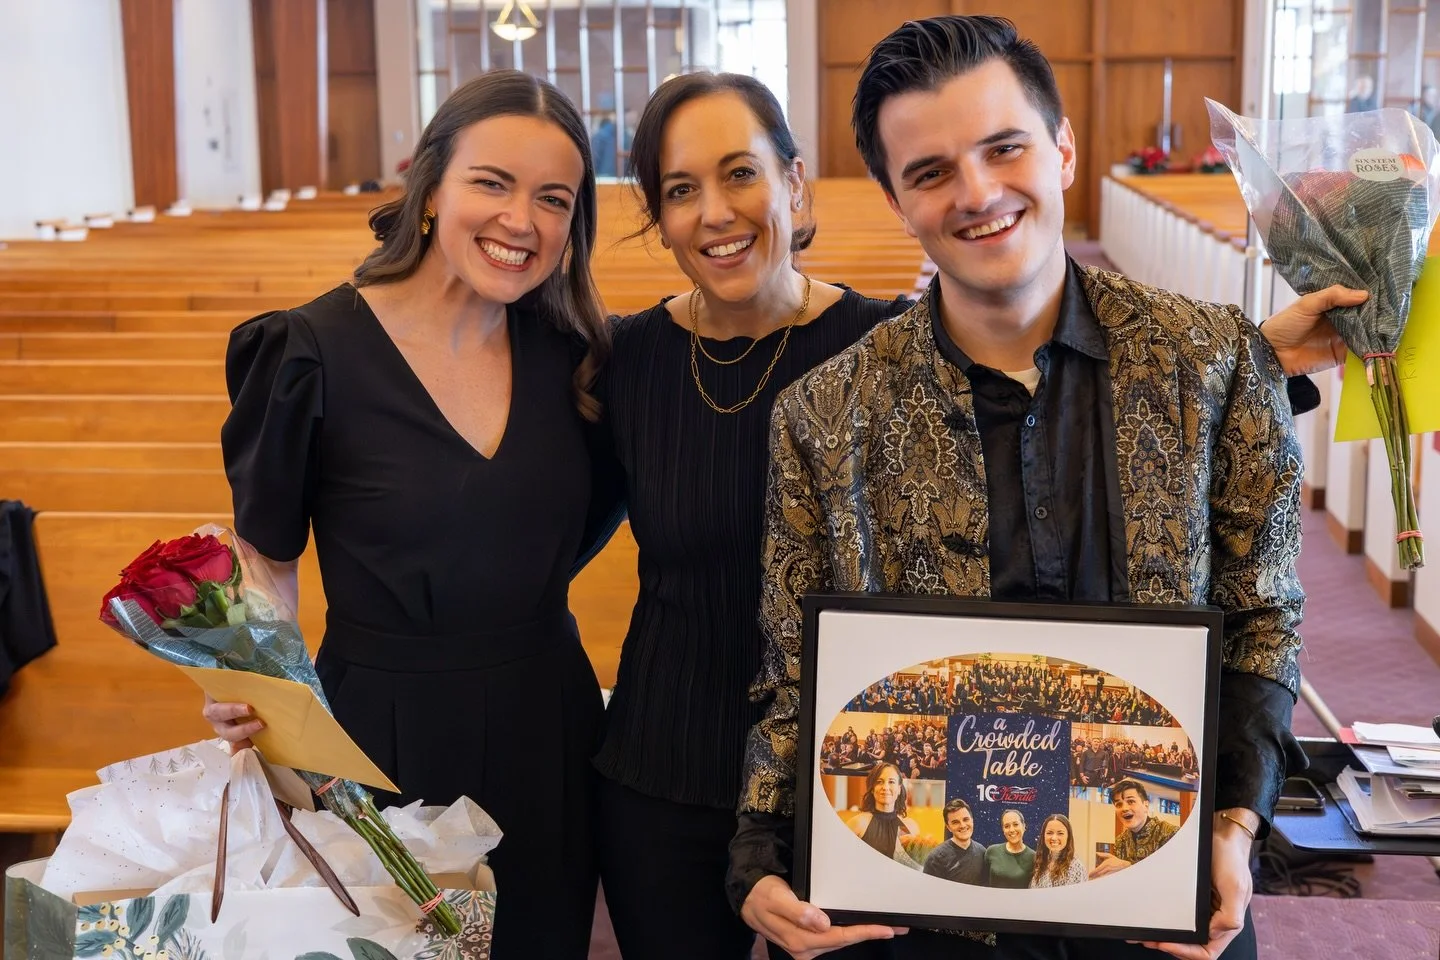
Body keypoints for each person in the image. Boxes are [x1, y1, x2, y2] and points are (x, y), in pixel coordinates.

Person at [598, 61, 1356, 960]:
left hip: (1157, 892)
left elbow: (1263, 615)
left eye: (1004, 149)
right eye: (929, 172)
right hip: (919, 906)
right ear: (893, 198)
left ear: (1063, 148)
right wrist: (760, 851)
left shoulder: (1210, 361)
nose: (978, 193)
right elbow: (795, 655)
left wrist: (1233, 824)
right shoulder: (826, 405)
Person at [201, 70, 618, 960]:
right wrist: (266, 702)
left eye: (554, 198)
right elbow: (267, 558)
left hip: (547, 723)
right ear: (431, 188)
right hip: (376, 733)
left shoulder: (577, 359)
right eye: (492, 182)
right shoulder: (311, 351)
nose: (522, 221)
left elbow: (570, 531)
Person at [1090, 779, 1179, 878]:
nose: (1124, 808)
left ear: (1146, 805)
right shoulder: (1120, 841)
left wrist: (1127, 866)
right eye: (1119, 804)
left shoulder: (1170, 833)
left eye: (1131, 801)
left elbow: (1174, 875)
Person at [848, 763, 923, 867]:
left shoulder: (911, 827)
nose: (885, 787)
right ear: (872, 788)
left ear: (899, 789)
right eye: (879, 782)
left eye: (891, 782)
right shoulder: (858, 824)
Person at [922, 799, 987, 885]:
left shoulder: (982, 851)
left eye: (966, 819)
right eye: (955, 822)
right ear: (948, 827)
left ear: (972, 820)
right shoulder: (936, 858)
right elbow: (929, 893)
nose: (962, 825)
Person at [983, 809, 1036, 890]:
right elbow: (983, 883)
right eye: (1007, 826)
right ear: (1003, 830)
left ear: (1024, 826)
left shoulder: (1033, 857)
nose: (1011, 830)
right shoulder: (991, 851)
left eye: (1015, 824)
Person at [1030, 814, 1086, 888]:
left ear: (1068, 836)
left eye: (1060, 833)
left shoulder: (1075, 867)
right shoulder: (1040, 863)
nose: (1054, 838)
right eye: (1049, 833)